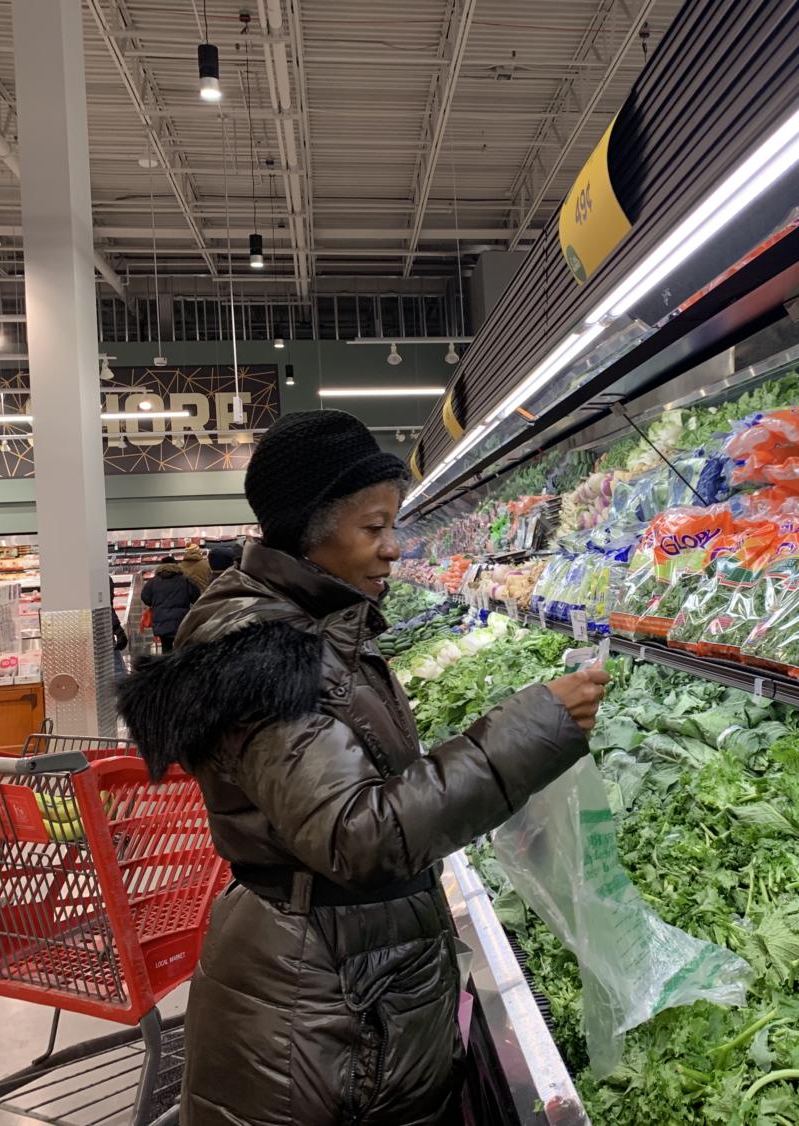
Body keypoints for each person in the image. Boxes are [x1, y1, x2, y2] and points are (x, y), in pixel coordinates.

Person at [117, 411, 608, 1126]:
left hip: (338, 979)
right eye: (372, 529)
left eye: (393, 526)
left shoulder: (304, 624)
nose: (391, 550)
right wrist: (534, 729)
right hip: (322, 1005)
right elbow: (356, 834)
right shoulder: (265, 650)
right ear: (307, 531)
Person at [139, 557, 200, 653]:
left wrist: (155, 603)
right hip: (182, 620)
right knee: (181, 648)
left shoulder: (153, 582)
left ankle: (167, 666)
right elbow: (196, 596)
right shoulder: (185, 580)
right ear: (176, 566)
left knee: (166, 647)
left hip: (161, 620)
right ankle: (180, 666)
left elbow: (145, 597)